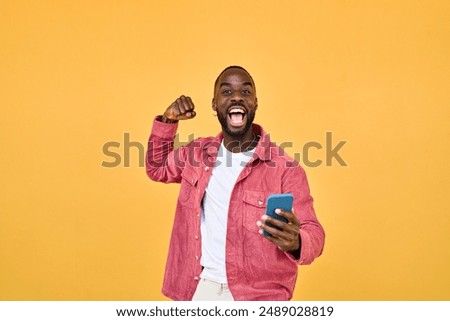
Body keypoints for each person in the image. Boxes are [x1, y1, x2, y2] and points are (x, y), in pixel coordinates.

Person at [146, 66, 325, 301]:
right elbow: (157, 169)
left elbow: (314, 233)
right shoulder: (197, 154)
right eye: (227, 92)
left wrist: (297, 242)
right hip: (200, 288)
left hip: (259, 295)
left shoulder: (285, 169)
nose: (237, 97)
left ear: (255, 104)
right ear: (214, 104)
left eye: (246, 92)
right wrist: (168, 121)